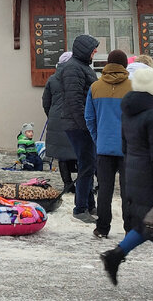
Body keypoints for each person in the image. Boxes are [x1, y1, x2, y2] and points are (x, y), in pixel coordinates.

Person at [98, 64, 153, 296]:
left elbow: (126, 147)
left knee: (151, 224)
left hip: (135, 174)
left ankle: (117, 257)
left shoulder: (129, 111)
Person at [85, 48, 133, 238]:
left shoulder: (95, 87)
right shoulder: (133, 87)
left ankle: (102, 228)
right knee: (128, 191)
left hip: (104, 147)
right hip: (128, 147)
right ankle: (130, 228)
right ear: (125, 65)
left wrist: (98, 138)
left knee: (104, 190)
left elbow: (89, 117)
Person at [55, 34, 101, 220]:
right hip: (78, 125)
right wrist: (87, 126)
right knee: (87, 165)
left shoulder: (80, 66)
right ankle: (80, 208)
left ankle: (89, 205)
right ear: (85, 50)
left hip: (80, 123)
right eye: (93, 50)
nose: (95, 53)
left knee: (88, 164)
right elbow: (75, 102)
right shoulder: (74, 69)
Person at [42, 51, 79, 193]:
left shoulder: (52, 79)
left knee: (62, 155)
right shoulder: (78, 76)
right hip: (75, 119)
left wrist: (52, 116)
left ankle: (67, 183)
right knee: (79, 152)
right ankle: (80, 183)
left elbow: (46, 102)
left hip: (57, 120)